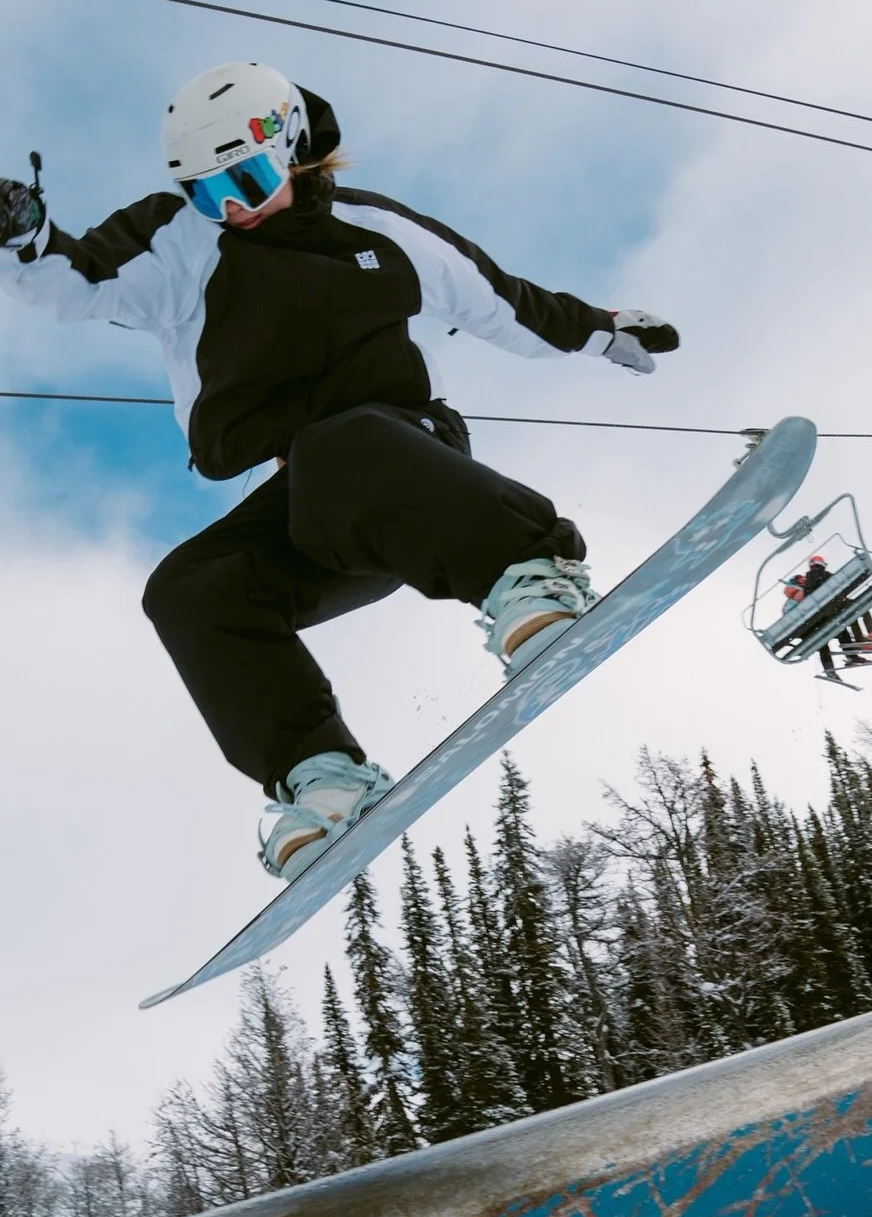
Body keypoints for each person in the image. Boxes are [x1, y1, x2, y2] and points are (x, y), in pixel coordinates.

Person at [0, 62, 678, 880]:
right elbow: (76, 279)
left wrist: (603, 330)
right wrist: (25, 236)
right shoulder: (177, 243)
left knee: (339, 444)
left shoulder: (376, 230)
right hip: (307, 510)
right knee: (189, 587)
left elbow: (500, 300)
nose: (236, 207)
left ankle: (530, 573)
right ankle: (321, 774)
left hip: (405, 465)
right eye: (213, 193)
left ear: (288, 147)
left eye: (248, 178)